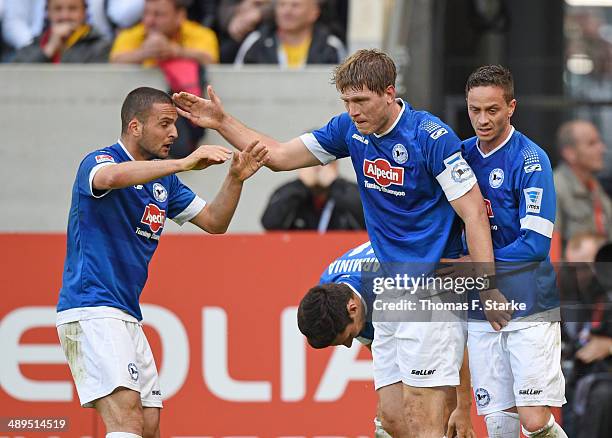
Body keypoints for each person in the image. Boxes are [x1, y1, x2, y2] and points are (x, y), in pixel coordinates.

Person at [172, 49, 500, 438]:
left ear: (389, 93)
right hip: (390, 287)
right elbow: (277, 157)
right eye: (346, 101)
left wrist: (487, 284)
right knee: (394, 420)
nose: (353, 110)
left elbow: (474, 212)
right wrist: (222, 121)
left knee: (426, 417)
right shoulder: (349, 130)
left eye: (360, 101)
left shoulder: (430, 137)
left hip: (430, 284)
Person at [55, 87, 268, 438]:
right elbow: (109, 179)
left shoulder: (163, 182)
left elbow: (215, 222)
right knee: (126, 422)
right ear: (135, 127)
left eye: (175, 125)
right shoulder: (100, 161)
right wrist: (184, 163)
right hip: (91, 308)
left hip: (126, 313)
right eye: (165, 124)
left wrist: (234, 178)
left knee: (149, 425)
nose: (174, 133)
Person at [462, 65, 568, 437]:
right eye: (475, 109)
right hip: (480, 306)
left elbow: (536, 244)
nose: (482, 119)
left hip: (529, 303)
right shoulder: (460, 158)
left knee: (533, 419)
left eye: (492, 110)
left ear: (511, 107)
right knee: (498, 422)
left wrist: (476, 266)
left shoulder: (531, 161)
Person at [298, 241, 477, 438]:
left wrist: (463, 407)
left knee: (442, 407)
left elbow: (452, 338)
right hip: (404, 298)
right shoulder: (328, 294)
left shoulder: (394, 281)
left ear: (353, 308)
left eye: (348, 337)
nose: (349, 344)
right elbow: (380, 352)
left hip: (446, 281)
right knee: (391, 418)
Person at [554, 120, 612, 252]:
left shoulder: (595, 187)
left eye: (599, 141)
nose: (601, 148)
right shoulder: (555, 188)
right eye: (592, 143)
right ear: (570, 153)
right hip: (571, 272)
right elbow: (551, 250)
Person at [234, 0, 345, 68]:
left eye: (295, 5)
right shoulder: (256, 42)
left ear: (314, 13)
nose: (286, 11)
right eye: (282, 4)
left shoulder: (331, 46)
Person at [261, 161, 365, 231]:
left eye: (323, 162)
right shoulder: (291, 191)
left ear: (334, 166)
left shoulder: (347, 190)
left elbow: (368, 220)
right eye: (310, 163)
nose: (317, 169)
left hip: (342, 257)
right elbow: (270, 224)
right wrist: (301, 184)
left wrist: (333, 184)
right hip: (299, 257)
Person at [13, 0, 111, 63]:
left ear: (84, 12)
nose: (65, 16)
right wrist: (49, 50)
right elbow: (16, 77)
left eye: (72, 9)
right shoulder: (36, 44)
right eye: (57, 9)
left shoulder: (100, 47)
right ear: (47, 13)